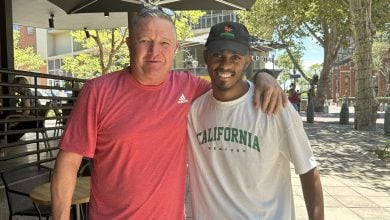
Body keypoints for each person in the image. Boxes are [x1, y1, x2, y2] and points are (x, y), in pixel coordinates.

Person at [51, 7, 287, 220]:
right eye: (145, 41)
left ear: (175, 48)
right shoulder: (97, 91)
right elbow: (68, 162)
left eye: (164, 43)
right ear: (129, 44)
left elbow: (229, 86)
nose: (154, 51)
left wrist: (262, 76)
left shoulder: (188, 87)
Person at [187, 22, 324, 220]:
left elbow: (308, 170)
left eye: (235, 57)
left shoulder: (276, 107)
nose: (225, 65)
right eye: (218, 55)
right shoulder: (194, 111)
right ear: (206, 56)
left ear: (248, 60)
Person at [0, 76, 44, 143]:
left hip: (34, 120)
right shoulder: (29, 92)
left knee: (10, 122)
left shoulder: (25, 95)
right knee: (10, 120)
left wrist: (16, 121)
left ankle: (4, 141)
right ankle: (4, 140)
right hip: (36, 119)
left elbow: (27, 112)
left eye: (13, 85)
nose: (12, 87)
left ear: (18, 86)